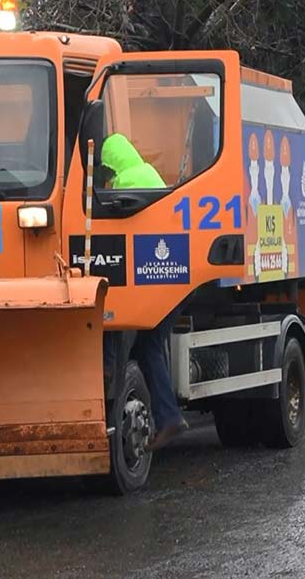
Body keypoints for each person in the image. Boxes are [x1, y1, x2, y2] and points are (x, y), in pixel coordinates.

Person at [101, 133, 187, 451]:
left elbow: (114, 227)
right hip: (170, 278)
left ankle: (167, 416)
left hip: (149, 279)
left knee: (114, 317)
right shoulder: (148, 172)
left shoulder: (125, 181)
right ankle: (168, 416)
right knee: (150, 342)